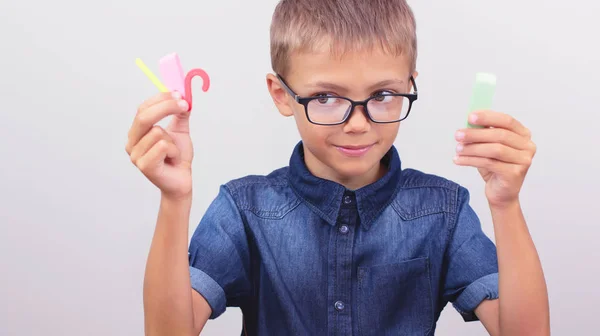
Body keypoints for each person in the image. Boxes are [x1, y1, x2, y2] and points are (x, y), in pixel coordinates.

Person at [125, 0, 550, 335]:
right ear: (281, 94)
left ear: (409, 85)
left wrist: (507, 204)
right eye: (327, 98)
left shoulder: (444, 211)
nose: (359, 124)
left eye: (384, 94)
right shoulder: (243, 210)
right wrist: (174, 199)